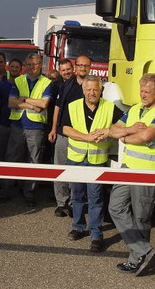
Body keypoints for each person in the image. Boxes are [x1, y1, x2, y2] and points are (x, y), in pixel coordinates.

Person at [108, 73, 155, 276]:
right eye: (141, 90)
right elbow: (113, 130)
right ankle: (144, 250)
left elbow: (145, 136)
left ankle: (136, 260)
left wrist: (125, 137)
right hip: (128, 168)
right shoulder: (135, 109)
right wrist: (129, 130)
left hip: (148, 172)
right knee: (115, 207)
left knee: (141, 217)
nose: (143, 95)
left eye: (147, 91)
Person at [62, 75, 122, 252]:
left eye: (95, 89)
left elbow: (123, 124)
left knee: (96, 198)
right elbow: (65, 128)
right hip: (76, 159)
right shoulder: (72, 106)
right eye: (88, 89)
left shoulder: (109, 107)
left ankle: (96, 234)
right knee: (77, 195)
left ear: (101, 90)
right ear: (83, 90)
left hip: (97, 160)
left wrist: (108, 131)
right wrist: (86, 137)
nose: (92, 92)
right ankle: (78, 227)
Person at [0, 53, 52, 206]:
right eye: (29, 64)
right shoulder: (19, 80)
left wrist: (25, 99)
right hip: (18, 125)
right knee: (11, 158)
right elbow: (11, 103)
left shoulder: (47, 82)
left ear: (40, 65)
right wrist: (33, 105)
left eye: (35, 64)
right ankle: (5, 191)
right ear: (25, 65)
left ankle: (29, 193)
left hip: (36, 127)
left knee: (34, 161)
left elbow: (44, 104)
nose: (31, 67)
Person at [48, 56, 92, 217]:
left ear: (89, 67)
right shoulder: (67, 85)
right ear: (76, 67)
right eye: (79, 65)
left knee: (77, 171)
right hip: (63, 134)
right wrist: (53, 129)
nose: (82, 68)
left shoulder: (93, 85)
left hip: (82, 136)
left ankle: (75, 203)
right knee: (60, 169)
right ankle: (61, 203)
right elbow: (57, 108)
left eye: (85, 65)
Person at [0, 58, 23, 176]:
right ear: (8, 68)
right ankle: (1, 181)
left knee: (17, 156)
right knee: (1, 155)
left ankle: (14, 181)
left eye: (17, 67)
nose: (14, 69)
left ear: (21, 69)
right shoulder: (2, 85)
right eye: (12, 67)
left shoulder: (23, 84)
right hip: (4, 125)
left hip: (18, 126)